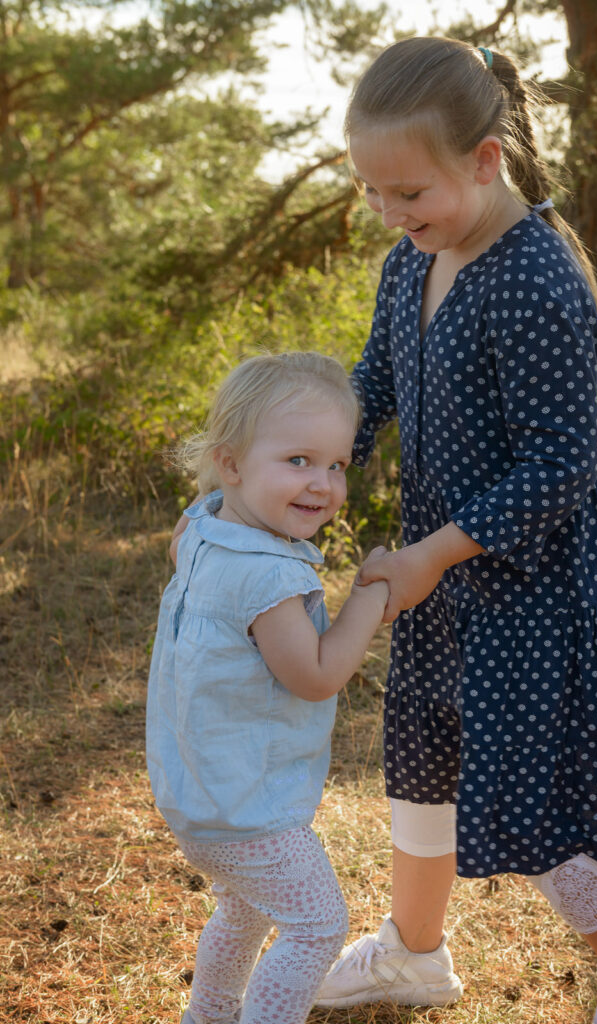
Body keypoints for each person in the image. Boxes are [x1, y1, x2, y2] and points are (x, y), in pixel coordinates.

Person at [314, 37, 597, 1024]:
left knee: (534, 812)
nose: (393, 216)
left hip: (534, 597)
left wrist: (433, 553)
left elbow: (560, 468)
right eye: (376, 195)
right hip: (444, 581)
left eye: (409, 193)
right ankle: (414, 954)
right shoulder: (412, 261)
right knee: (425, 771)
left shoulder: (533, 281)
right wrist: (305, 463)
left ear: (485, 159)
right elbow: (375, 383)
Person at [146, 351, 389, 1024]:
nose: (322, 484)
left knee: (246, 908)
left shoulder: (200, 524)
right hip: (251, 812)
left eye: (336, 465)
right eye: (298, 461)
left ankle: (211, 1013)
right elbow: (314, 677)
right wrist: (369, 597)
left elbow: (182, 558)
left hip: (197, 792)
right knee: (316, 926)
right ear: (231, 463)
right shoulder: (272, 580)